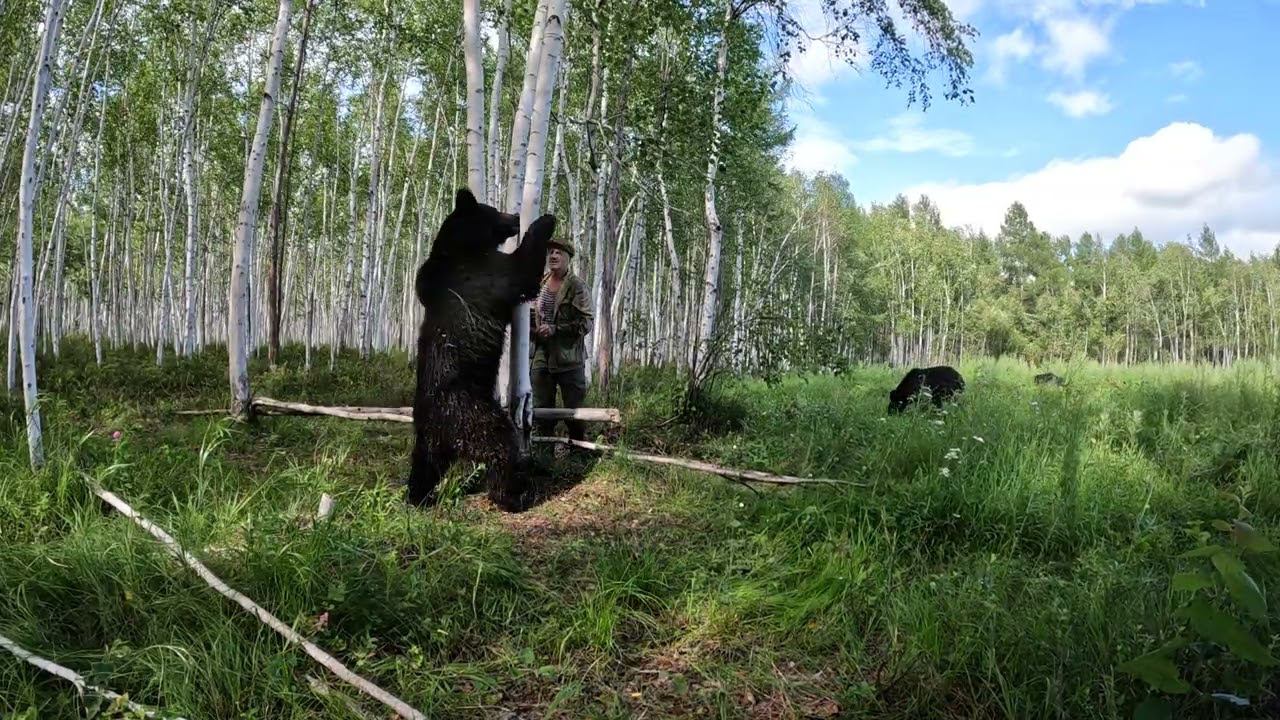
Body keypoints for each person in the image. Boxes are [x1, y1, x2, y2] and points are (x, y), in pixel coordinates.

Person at [530, 239, 593, 458]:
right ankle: (542, 457)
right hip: (542, 355)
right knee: (540, 410)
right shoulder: (540, 284)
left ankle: (578, 455)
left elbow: (586, 323)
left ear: (568, 258)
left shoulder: (576, 286)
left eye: (558, 252)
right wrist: (534, 329)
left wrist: (557, 329)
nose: (553, 256)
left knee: (573, 413)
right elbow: (530, 315)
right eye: (550, 253)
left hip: (569, 358)